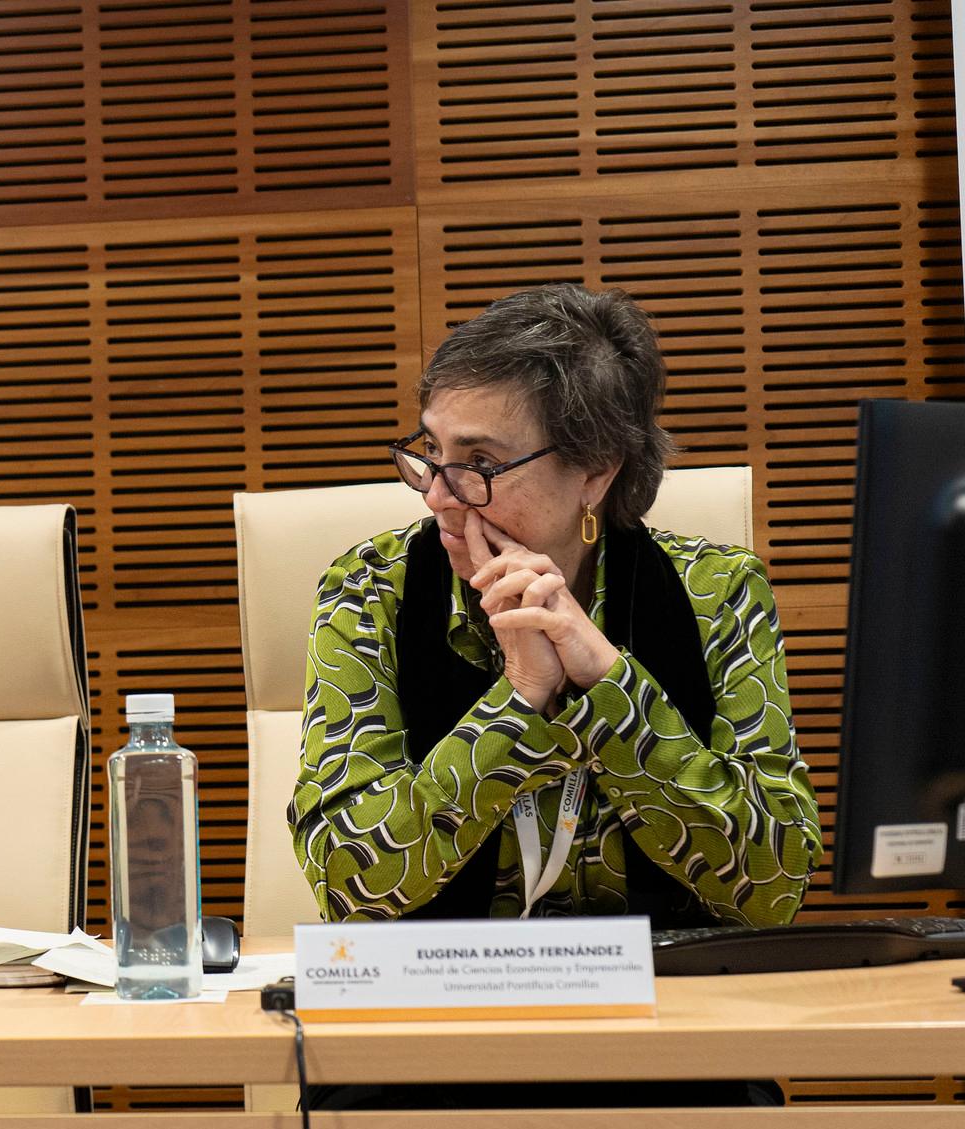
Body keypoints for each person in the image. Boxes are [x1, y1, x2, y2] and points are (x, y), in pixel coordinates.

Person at [291, 283, 822, 930]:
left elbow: (775, 889)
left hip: (669, 1008)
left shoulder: (718, 593)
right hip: (442, 1003)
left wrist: (612, 687)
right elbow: (346, 882)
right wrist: (517, 700)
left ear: (595, 473)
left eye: (479, 462)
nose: (436, 495)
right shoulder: (370, 589)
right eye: (432, 452)